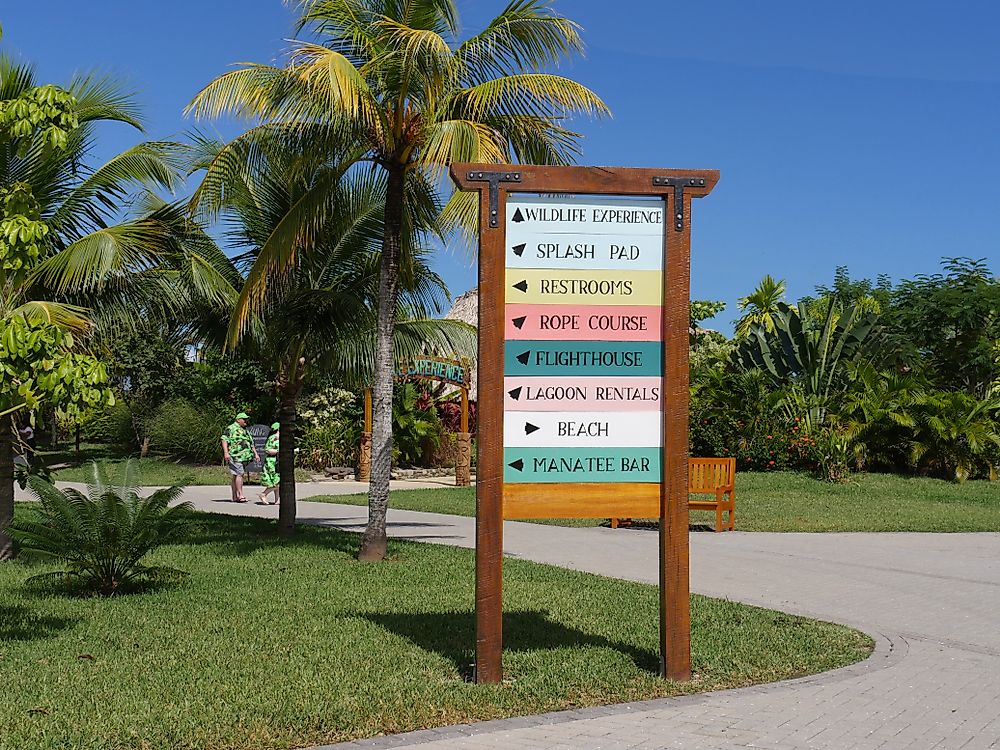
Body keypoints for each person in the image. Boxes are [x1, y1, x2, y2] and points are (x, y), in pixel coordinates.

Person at [221, 412, 259, 503]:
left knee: (235, 475)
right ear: (238, 420)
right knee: (239, 474)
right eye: (244, 419)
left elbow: (251, 443)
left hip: (244, 457)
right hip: (235, 456)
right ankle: (240, 495)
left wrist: (256, 454)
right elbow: (224, 439)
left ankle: (234, 496)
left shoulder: (245, 430)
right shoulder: (231, 428)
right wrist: (226, 452)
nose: (246, 421)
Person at [257, 422, 280, 505]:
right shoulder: (275, 438)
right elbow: (268, 450)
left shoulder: (274, 438)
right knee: (277, 482)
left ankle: (277, 500)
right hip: (273, 462)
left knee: (275, 480)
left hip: (274, 461)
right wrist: (278, 451)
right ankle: (264, 494)